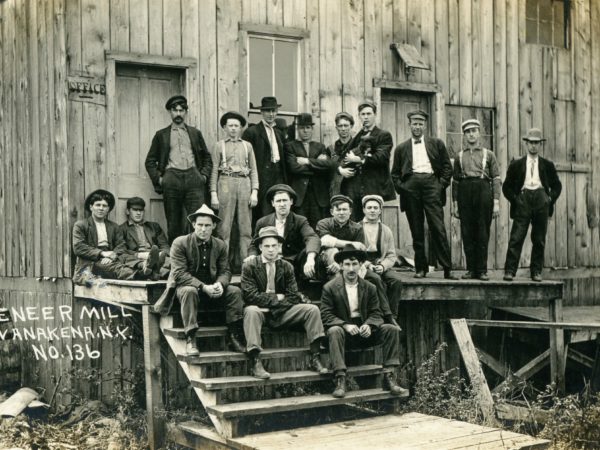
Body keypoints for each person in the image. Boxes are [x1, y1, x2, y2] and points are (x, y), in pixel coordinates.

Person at [153, 205, 245, 356]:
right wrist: (203, 287)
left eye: (207, 225)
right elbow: (179, 274)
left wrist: (220, 284)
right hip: (186, 288)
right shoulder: (180, 243)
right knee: (190, 291)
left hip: (211, 289)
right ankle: (191, 338)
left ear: (214, 226)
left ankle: (233, 336)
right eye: (200, 225)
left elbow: (225, 270)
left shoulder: (220, 245)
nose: (203, 229)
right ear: (193, 224)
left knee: (234, 292)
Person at [320, 244, 408, 398]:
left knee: (391, 329)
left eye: (355, 264)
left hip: (364, 334)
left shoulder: (370, 287)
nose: (351, 269)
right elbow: (326, 315)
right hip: (343, 336)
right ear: (340, 266)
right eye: (347, 264)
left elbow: (377, 312)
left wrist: (369, 324)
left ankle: (390, 377)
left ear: (361, 265)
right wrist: (345, 325)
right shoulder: (330, 288)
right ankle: (340, 379)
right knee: (334, 330)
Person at [241, 226, 327, 379]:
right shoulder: (250, 266)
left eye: (274, 246)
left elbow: (293, 296)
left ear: (279, 246)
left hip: (282, 312)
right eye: (266, 246)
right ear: (260, 247)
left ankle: (315, 357)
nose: (271, 250)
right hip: (261, 313)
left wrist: (273, 302)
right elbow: (250, 296)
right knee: (251, 310)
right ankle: (255, 361)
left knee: (311, 309)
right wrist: (277, 298)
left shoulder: (286, 266)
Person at [391, 110, 457, 280]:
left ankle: (447, 268)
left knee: (438, 227)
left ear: (425, 125)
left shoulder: (437, 143)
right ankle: (420, 268)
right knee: (416, 230)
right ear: (410, 125)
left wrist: (439, 185)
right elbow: (395, 174)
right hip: (411, 187)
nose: (417, 127)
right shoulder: (401, 148)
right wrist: (403, 188)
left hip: (431, 185)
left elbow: (447, 167)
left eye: (420, 124)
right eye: (415, 124)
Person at [316, 195, 399, 327]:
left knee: (376, 279)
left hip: (353, 264)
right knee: (333, 257)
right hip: (329, 264)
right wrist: (351, 244)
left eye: (344, 210)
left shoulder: (357, 228)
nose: (341, 213)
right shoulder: (324, 223)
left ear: (350, 212)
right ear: (332, 212)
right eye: (338, 210)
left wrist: (374, 266)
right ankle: (337, 320)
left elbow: (361, 252)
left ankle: (388, 315)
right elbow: (325, 241)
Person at [145, 95, 213, 243]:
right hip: (172, 178)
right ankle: (177, 259)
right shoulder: (161, 135)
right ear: (170, 112)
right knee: (174, 222)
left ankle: (197, 256)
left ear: (186, 112)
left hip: (193, 178)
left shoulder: (195, 133)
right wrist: (161, 180)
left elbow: (207, 158)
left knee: (197, 219)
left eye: (181, 110)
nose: (178, 114)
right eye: (174, 110)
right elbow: (150, 161)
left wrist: (203, 177)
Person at [502, 128, 562, 282]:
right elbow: (506, 186)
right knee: (516, 236)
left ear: (540, 145)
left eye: (536, 143)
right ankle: (509, 271)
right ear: (526, 144)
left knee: (539, 238)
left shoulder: (547, 165)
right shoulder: (517, 164)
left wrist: (549, 199)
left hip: (541, 200)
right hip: (523, 200)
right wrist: (516, 199)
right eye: (531, 143)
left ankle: (536, 271)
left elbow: (557, 186)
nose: (533, 146)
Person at [451, 119, 502, 281]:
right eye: (468, 132)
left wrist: (496, 202)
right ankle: (471, 269)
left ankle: (482, 270)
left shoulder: (489, 154)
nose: (471, 134)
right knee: (467, 232)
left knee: (482, 231)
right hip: (465, 192)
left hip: (483, 191)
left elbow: (496, 179)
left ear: (479, 133)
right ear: (464, 135)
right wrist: (455, 204)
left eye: (474, 130)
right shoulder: (460, 155)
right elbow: (456, 182)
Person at [209, 111, 259, 262]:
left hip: (245, 184)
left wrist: (254, 192)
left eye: (236, 125)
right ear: (225, 127)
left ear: (241, 128)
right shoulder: (219, 146)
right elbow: (213, 172)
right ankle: (222, 265)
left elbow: (254, 170)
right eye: (230, 125)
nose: (233, 128)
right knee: (224, 228)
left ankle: (247, 265)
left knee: (245, 228)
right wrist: (213, 194)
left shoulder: (247, 146)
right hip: (225, 183)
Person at [246, 184, 320, 282]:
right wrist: (252, 256)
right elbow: (254, 245)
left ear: (291, 202)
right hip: (269, 260)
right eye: (278, 201)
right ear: (273, 203)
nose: (282, 204)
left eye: (285, 200)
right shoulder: (263, 222)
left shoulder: (299, 220)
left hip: (293, 263)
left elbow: (312, 237)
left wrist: (310, 258)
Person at [339, 101, 396, 221]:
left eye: (369, 113)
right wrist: (341, 169)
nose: (366, 117)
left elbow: (381, 157)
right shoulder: (358, 136)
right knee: (355, 223)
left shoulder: (383, 135)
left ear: (375, 115)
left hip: (373, 187)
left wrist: (359, 160)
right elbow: (344, 156)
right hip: (354, 189)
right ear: (359, 116)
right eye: (363, 114)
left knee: (372, 223)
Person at [72, 189, 137, 285]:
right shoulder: (81, 225)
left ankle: (145, 267)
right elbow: (78, 247)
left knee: (128, 258)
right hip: (91, 263)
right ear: (91, 207)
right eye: (98, 205)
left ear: (108, 209)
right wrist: (102, 253)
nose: (101, 208)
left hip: (111, 258)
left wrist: (113, 255)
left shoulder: (113, 226)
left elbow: (121, 245)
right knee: (119, 269)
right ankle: (141, 273)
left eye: (104, 206)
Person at [284, 113, 335, 227]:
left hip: (318, 196)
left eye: (308, 128)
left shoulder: (320, 147)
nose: (305, 131)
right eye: (302, 128)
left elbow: (327, 166)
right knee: (299, 226)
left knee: (318, 226)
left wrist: (307, 161)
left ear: (312, 129)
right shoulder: (290, 146)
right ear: (298, 129)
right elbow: (294, 168)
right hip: (300, 196)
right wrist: (317, 165)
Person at [242, 97, 287, 224]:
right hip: (261, 179)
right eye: (268, 111)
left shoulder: (279, 133)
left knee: (278, 211)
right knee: (263, 213)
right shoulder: (252, 132)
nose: (271, 114)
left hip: (278, 177)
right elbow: (246, 158)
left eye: (273, 111)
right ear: (261, 113)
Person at [360, 195, 404, 322]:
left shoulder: (386, 230)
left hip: (380, 262)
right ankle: (385, 315)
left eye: (375, 208)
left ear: (380, 210)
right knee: (376, 279)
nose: (372, 210)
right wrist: (368, 264)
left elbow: (391, 255)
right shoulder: (357, 228)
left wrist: (383, 266)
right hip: (363, 264)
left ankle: (393, 314)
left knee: (396, 281)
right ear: (364, 210)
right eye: (369, 208)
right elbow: (355, 253)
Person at [118, 197, 170, 280]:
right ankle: (157, 270)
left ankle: (155, 269)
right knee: (125, 259)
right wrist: (141, 255)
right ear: (127, 211)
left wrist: (164, 254)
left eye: (141, 210)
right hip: (137, 257)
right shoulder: (121, 229)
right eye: (135, 210)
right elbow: (122, 250)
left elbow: (164, 245)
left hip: (157, 256)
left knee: (173, 263)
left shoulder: (154, 226)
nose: (138, 213)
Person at [328, 112, 355, 197]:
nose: (343, 129)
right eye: (340, 126)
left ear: (351, 126)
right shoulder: (331, 149)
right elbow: (326, 168)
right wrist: (338, 169)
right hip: (336, 192)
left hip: (354, 191)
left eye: (346, 125)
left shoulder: (358, 146)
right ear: (336, 128)